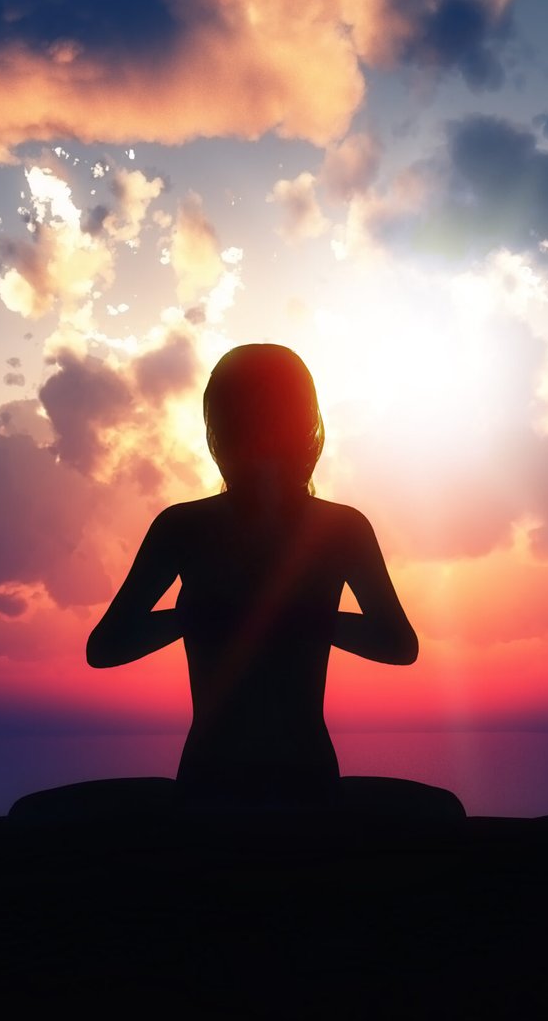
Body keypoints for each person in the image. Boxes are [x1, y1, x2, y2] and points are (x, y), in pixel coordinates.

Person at [85, 343, 421, 809]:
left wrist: (241, 616)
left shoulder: (335, 527)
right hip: (251, 776)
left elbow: (401, 646)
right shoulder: (187, 526)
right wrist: (199, 618)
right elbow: (103, 649)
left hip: (261, 776)